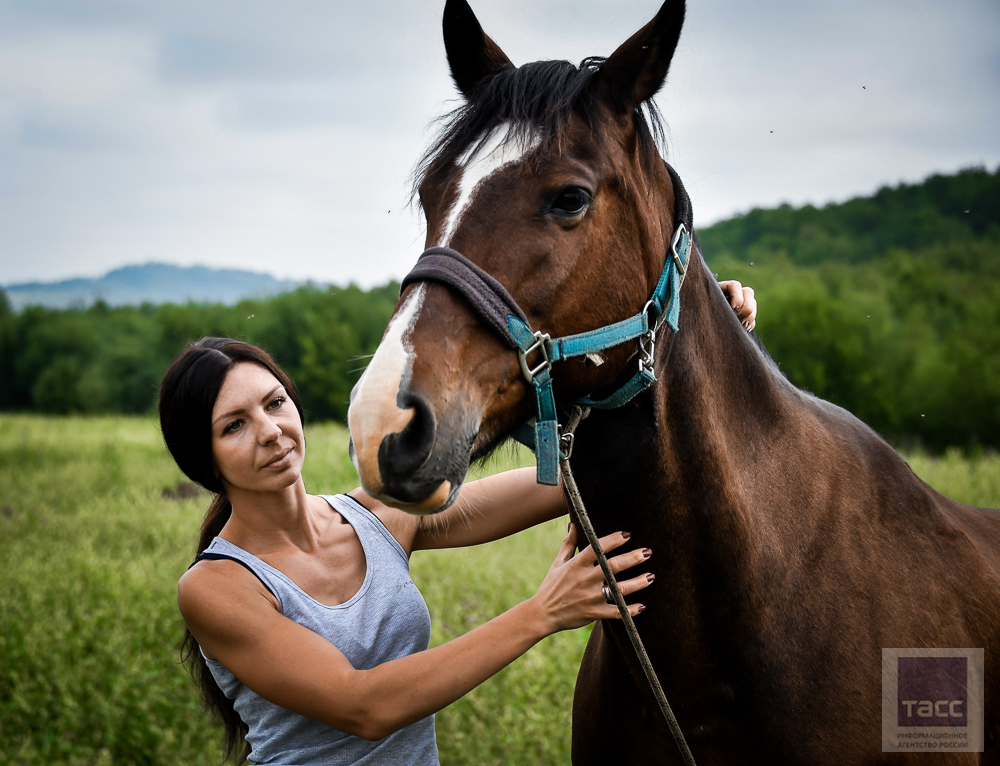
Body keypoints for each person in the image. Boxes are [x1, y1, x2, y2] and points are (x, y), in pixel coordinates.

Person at [162, 285, 756, 765]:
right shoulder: (217, 588)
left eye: (273, 403)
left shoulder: (376, 516)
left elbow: (565, 477)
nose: (269, 430)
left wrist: (688, 334)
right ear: (202, 458)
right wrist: (541, 613)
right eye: (233, 425)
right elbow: (361, 706)